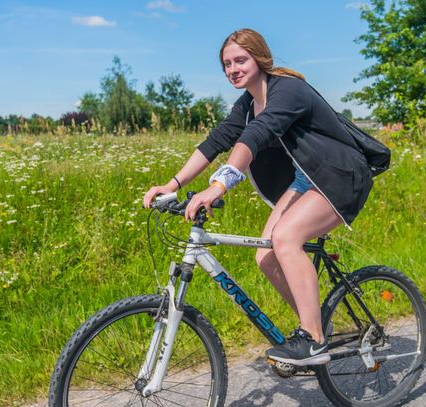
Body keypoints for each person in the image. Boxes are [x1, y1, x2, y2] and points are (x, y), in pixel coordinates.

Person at [143, 28, 374, 366]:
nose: (233, 69)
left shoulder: (289, 89)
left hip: (339, 175)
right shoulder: (248, 102)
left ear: (260, 58)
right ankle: (316, 327)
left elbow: (256, 135)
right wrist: (172, 183)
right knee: (266, 255)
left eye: (240, 60)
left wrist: (218, 186)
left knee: (285, 238)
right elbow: (216, 141)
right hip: (306, 179)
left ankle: (313, 339)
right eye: (227, 64)